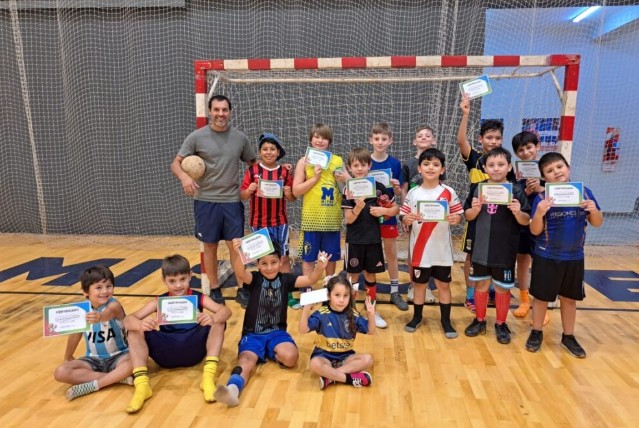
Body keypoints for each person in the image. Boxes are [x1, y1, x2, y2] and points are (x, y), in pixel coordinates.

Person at [214, 241, 330, 407]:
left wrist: (319, 267)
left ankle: (270, 352)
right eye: (264, 264)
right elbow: (240, 272)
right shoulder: (254, 279)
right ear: (257, 264)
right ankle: (233, 389)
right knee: (246, 361)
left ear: (280, 262)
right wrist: (238, 252)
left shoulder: (286, 280)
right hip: (253, 334)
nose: (269, 268)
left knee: (291, 358)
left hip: (277, 333)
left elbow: (311, 279)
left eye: (273, 262)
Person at [171, 94, 256, 307]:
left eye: (224, 110)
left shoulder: (240, 138)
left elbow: (254, 164)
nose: (220, 114)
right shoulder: (196, 137)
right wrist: (184, 177)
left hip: (232, 201)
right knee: (210, 246)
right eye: (216, 110)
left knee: (236, 246)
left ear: (230, 112)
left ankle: (242, 288)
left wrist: (277, 171)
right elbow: (176, 163)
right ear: (210, 111)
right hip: (205, 201)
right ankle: (215, 288)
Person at [123, 255, 231, 413]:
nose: (178, 285)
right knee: (134, 330)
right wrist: (140, 324)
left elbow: (226, 311)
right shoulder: (159, 301)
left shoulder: (199, 297)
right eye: (172, 281)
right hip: (166, 353)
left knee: (219, 322)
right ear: (164, 280)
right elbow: (127, 320)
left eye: (183, 279)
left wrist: (212, 318)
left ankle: (208, 377)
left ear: (190, 276)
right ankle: (142, 385)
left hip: (194, 349)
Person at [525, 152, 603, 357]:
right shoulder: (541, 198)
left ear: (568, 168)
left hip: (574, 257)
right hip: (546, 255)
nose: (556, 172)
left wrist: (593, 210)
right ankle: (536, 331)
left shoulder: (584, 193)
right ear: (544, 177)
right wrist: (539, 213)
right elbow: (534, 230)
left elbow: (597, 222)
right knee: (541, 298)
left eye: (559, 167)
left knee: (569, 298)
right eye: (549, 170)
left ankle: (568, 336)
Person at [463, 147, 530, 344]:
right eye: (491, 165)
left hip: (505, 250)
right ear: (484, 168)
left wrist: (517, 212)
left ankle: (501, 323)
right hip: (481, 248)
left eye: (501, 164)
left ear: (509, 167)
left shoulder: (516, 190)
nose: (496, 168)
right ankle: (479, 320)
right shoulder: (477, 188)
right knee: (481, 284)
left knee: (502, 288)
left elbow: (526, 220)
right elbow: (467, 216)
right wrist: (475, 209)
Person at [457, 94, 515, 313]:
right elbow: (461, 141)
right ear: (480, 139)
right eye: (489, 137)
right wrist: (466, 114)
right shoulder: (474, 158)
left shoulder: (505, 163)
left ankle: (489, 291)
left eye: (497, 138)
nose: (493, 141)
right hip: (476, 217)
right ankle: (471, 294)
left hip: (499, 219)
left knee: (495, 254)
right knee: (472, 255)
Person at [400, 148, 463, 337]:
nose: (430, 168)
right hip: (420, 251)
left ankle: (446, 321)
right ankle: (417, 317)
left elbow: (458, 214)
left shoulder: (449, 192)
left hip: (442, 251)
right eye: (426, 164)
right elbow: (404, 216)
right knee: (419, 286)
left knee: (443, 285)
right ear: (419, 168)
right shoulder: (413, 193)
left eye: (436, 164)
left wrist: (456, 219)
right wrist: (407, 219)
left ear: (442, 169)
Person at [53, 266, 132, 401]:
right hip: (93, 359)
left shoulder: (114, 305)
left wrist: (99, 317)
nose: (105, 291)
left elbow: (108, 314)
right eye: (99, 287)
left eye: (109, 286)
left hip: (119, 356)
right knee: (60, 372)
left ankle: (93, 385)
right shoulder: (81, 310)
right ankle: (117, 378)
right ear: (85, 292)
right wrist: (68, 356)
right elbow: (76, 334)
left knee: (135, 360)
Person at [240, 132, 299, 309]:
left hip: (280, 222)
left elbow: (292, 198)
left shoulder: (284, 172)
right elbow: (242, 196)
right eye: (265, 149)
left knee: (283, 258)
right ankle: (265, 292)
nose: (269, 152)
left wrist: (288, 192)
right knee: (263, 261)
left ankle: (287, 295)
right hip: (259, 223)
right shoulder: (252, 171)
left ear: (278, 152)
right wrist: (249, 190)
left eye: (272, 149)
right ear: (259, 152)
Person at [342, 147, 399, 329]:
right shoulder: (348, 190)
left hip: (373, 239)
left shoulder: (378, 187)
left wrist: (383, 210)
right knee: (352, 276)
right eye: (355, 165)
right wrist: (358, 208)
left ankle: (371, 310)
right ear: (350, 168)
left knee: (370, 275)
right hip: (354, 240)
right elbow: (349, 219)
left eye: (363, 165)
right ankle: (349, 311)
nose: (359, 168)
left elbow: (395, 209)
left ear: (369, 165)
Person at [299, 274, 375, 389]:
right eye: (337, 295)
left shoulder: (353, 315)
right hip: (324, 357)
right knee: (314, 364)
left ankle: (329, 377)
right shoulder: (322, 313)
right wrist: (306, 310)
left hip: (345, 357)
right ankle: (349, 379)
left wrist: (371, 315)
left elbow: (371, 331)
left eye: (346, 295)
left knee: (368, 359)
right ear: (329, 296)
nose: (342, 300)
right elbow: (303, 330)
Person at [292, 123, 348, 279]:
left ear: (329, 141)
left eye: (324, 138)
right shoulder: (303, 161)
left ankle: (329, 286)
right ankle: (308, 288)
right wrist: (314, 178)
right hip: (311, 219)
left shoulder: (337, 160)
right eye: (316, 137)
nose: (320, 141)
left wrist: (345, 178)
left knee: (330, 258)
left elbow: (349, 187)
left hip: (332, 219)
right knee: (309, 258)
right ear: (311, 139)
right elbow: (296, 191)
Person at [511, 131, 548, 324]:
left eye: (529, 147)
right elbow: (512, 196)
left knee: (541, 263)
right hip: (523, 222)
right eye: (521, 150)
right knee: (522, 260)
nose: (525, 152)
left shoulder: (548, 168)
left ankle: (540, 305)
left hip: (544, 223)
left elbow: (560, 192)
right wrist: (524, 192)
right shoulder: (514, 173)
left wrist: (541, 189)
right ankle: (524, 301)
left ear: (537, 146)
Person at [401, 125, 440, 305]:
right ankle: (413, 284)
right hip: (414, 216)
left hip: (433, 215)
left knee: (430, 250)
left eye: (427, 135)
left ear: (433, 140)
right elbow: (404, 190)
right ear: (414, 141)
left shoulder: (438, 161)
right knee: (413, 251)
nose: (423, 138)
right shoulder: (409, 164)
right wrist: (405, 215)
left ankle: (427, 286)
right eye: (420, 135)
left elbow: (441, 190)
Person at [368, 123, 406, 311]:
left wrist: (397, 188)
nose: (380, 142)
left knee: (391, 253)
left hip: (388, 212)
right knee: (369, 253)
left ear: (390, 141)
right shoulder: (365, 160)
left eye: (384, 139)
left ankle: (394, 291)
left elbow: (398, 192)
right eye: (377, 139)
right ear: (371, 140)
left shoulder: (395, 164)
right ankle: (369, 293)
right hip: (369, 214)